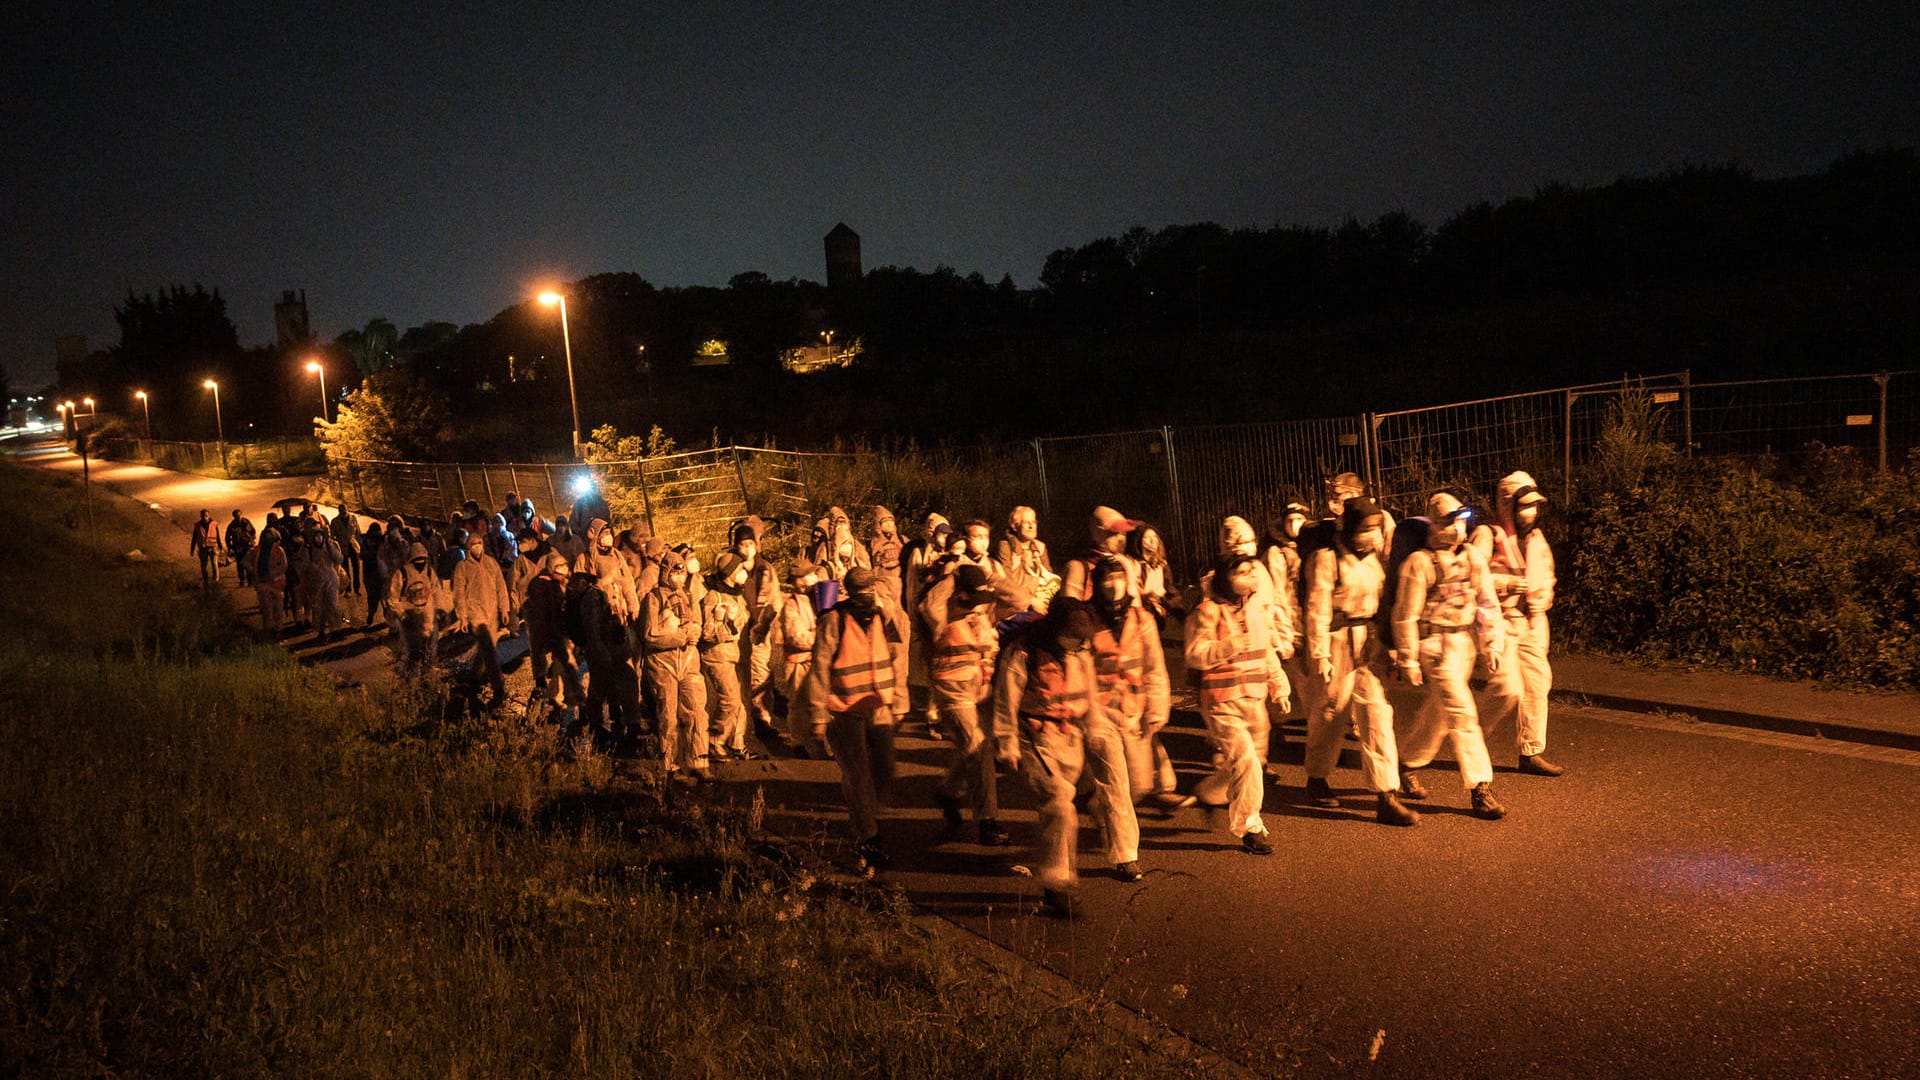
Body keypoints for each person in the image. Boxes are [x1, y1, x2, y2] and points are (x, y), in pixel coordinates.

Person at [994, 600, 1118, 913]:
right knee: (1060, 805)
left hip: (1070, 739)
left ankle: (1057, 875)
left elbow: (1089, 694)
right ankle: (1057, 884)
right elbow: (1005, 699)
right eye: (1073, 639)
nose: (1078, 644)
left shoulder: (1078, 652)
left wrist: (1097, 729)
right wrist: (1007, 741)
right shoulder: (1024, 652)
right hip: (1035, 740)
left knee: (1063, 811)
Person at [1392, 492, 1509, 821]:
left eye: (1462, 521)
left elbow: (1487, 604)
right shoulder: (1420, 563)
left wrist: (1492, 644)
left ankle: (1406, 762)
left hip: (1463, 643)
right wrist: (1409, 658)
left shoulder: (1471, 557)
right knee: (1462, 713)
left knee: (1440, 715)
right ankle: (1480, 788)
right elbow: (1406, 614)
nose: (1458, 528)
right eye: (1450, 521)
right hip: (1436, 646)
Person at [1300, 499, 1417, 827]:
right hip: (1337, 643)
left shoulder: (1374, 561)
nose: (1373, 536)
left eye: (1376, 529)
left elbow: (1381, 605)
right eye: (1366, 530)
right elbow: (1317, 609)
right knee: (1331, 714)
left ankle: (1386, 795)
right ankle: (1317, 777)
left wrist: (1388, 645)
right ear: (1351, 529)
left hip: (1367, 645)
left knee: (1377, 712)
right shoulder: (1327, 560)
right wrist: (1320, 655)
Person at [1186, 554, 1290, 855]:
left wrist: (1279, 687)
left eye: (1252, 573)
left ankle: (1207, 792)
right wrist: (1228, 647)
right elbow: (1195, 654)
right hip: (1222, 702)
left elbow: (1267, 652)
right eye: (1241, 573)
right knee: (1247, 762)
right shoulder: (1206, 612)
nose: (1250, 578)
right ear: (1224, 578)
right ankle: (1250, 827)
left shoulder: (1256, 611)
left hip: (1255, 700)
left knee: (1247, 764)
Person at [806, 567, 903, 868]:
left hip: (877, 703)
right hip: (842, 708)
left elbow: (895, 653)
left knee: (885, 764)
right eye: (862, 591)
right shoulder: (834, 620)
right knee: (858, 771)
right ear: (851, 590)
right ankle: (867, 837)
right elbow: (820, 667)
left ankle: (868, 814)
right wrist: (818, 713)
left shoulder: (879, 616)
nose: (867, 596)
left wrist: (897, 698)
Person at [1472, 471, 1564, 777]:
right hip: (1500, 622)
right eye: (1524, 506)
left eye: (1534, 506)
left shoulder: (1537, 539)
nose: (1530, 513)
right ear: (1508, 504)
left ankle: (1531, 751)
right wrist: (1507, 584)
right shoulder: (1489, 535)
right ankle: (1470, 740)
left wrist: (1543, 599)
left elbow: (1548, 574)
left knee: (1538, 683)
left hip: (1531, 623)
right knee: (1506, 688)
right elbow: (1472, 575)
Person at [920, 563, 1009, 846]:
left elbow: (1019, 599)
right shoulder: (940, 612)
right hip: (952, 689)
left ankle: (949, 792)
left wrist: (990, 578)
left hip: (979, 687)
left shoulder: (980, 608)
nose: (975, 605)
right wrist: (952, 578)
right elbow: (928, 605)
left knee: (975, 748)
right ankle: (987, 822)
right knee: (978, 748)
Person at [642, 550, 709, 783]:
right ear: (666, 572)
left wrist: (694, 633)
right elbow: (650, 635)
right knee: (668, 716)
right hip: (663, 664)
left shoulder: (689, 596)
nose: (680, 577)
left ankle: (699, 760)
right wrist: (681, 637)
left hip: (689, 661)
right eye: (675, 572)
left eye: (682, 573)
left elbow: (698, 623)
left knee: (697, 711)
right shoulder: (653, 598)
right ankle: (672, 765)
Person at [700, 552, 755, 761]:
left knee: (741, 702)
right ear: (731, 573)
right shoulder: (714, 597)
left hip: (737, 654)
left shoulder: (737, 595)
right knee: (729, 700)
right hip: (718, 656)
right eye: (740, 569)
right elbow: (708, 632)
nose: (744, 572)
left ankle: (735, 744)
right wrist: (729, 626)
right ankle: (715, 741)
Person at [452, 530, 512, 705]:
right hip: (475, 614)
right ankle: (498, 688)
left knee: (487, 649)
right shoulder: (462, 567)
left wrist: (504, 609)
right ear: (468, 547)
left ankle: (473, 679)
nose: (477, 546)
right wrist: (462, 617)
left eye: (479, 542)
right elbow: (458, 594)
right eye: (473, 543)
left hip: (492, 613)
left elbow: (501, 586)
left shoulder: (491, 563)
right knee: (490, 651)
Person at [770, 562, 823, 753]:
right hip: (799, 662)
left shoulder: (817, 599)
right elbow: (796, 636)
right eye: (809, 575)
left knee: (819, 701)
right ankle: (799, 741)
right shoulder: (791, 605)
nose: (813, 578)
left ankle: (819, 740)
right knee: (799, 703)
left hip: (816, 660)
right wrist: (821, 638)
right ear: (798, 581)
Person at [523, 549, 582, 716]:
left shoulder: (561, 582)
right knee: (546, 661)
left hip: (558, 631)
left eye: (564, 566)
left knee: (560, 663)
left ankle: (557, 696)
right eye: (559, 567)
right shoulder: (540, 585)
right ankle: (542, 693)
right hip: (543, 631)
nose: (563, 570)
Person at [1060, 506, 1138, 602]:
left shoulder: (1126, 564)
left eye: (1123, 533)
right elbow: (1070, 610)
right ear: (1097, 533)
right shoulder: (1078, 568)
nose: (1120, 539)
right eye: (1113, 533)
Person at [387, 542, 438, 673]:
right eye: (417, 559)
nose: (420, 562)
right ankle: (409, 679)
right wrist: (403, 616)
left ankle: (426, 676)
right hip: (409, 617)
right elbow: (393, 599)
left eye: (423, 559)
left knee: (429, 650)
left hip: (427, 617)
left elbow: (436, 593)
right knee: (412, 651)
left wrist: (439, 611)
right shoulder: (402, 574)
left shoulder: (429, 573)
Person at [299, 521, 346, 642]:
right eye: (316, 536)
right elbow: (303, 565)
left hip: (330, 578)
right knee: (318, 607)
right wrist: (312, 567)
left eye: (320, 536)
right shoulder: (307, 549)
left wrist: (331, 548)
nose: (318, 539)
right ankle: (321, 630)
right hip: (315, 581)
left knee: (333, 604)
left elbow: (339, 559)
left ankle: (335, 629)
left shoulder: (330, 546)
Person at [254, 529, 288, 634]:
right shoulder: (257, 550)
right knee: (267, 610)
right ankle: (269, 631)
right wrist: (255, 572)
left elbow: (284, 566)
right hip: (264, 583)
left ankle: (278, 630)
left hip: (276, 584)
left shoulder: (279, 550)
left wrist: (273, 573)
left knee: (278, 609)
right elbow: (245, 561)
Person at [358, 521, 386, 628]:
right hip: (370, 574)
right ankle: (370, 616)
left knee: (385, 598)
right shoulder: (366, 541)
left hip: (381, 573)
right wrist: (374, 553)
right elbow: (362, 555)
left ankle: (388, 618)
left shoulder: (383, 541)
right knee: (373, 598)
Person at [330, 505, 362, 596]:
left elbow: (358, 532)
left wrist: (360, 545)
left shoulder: (353, 518)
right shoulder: (335, 521)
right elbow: (332, 535)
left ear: (347, 510)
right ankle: (348, 589)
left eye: (344, 510)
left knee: (356, 567)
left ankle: (357, 588)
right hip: (342, 547)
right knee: (345, 568)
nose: (343, 512)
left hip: (353, 545)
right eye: (341, 511)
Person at [190, 509, 223, 588]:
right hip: (203, 548)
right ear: (201, 516)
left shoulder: (214, 524)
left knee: (214, 564)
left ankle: (216, 580)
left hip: (213, 547)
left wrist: (220, 546)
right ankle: (206, 581)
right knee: (203, 566)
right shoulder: (197, 525)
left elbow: (218, 536)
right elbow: (194, 538)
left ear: (209, 515)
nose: (205, 517)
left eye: (206, 516)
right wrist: (192, 549)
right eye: (203, 516)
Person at [225, 510, 256, 588]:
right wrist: (230, 547)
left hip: (247, 546)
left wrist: (252, 540)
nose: (238, 517)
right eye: (236, 516)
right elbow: (227, 537)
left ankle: (250, 580)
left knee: (248, 564)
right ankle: (242, 580)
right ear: (234, 516)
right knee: (240, 564)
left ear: (241, 514)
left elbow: (253, 531)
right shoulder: (231, 525)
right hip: (238, 547)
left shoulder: (246, 522)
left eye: (239, 515)